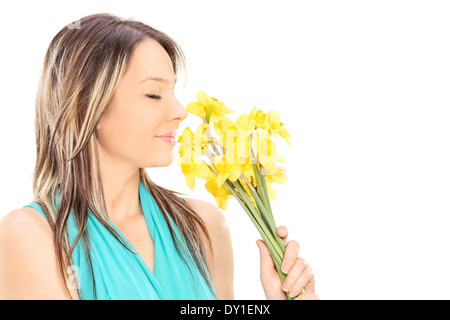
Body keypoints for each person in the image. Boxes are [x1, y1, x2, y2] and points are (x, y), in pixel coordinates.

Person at [0, 13, 318, 300]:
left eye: (174, 92)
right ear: (88, 107)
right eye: (154, 94)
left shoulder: (203, 226)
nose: (180, 112)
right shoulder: (32, 236)